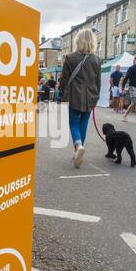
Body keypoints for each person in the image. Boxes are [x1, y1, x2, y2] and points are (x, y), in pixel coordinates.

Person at [59, 28, 101, 168]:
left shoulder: (70, 57)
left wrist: (61, 94)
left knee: (73, 123)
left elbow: (64, 79)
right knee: (83, 123)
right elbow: (98, 81)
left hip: (74, 95)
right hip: (91, 95)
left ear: (78, 40)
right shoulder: (97, 60)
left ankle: (78, 146)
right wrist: (96, 97)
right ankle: (78, 149)